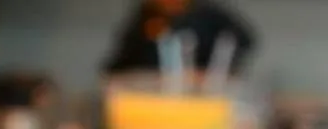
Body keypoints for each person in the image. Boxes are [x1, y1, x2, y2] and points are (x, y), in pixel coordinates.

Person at [104, 0, 257, 75]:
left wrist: (207, 75)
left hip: (203, 99)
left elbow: (245, 41)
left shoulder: (209, 15)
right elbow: (118, 65)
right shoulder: (144, 17)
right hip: (152, 101)